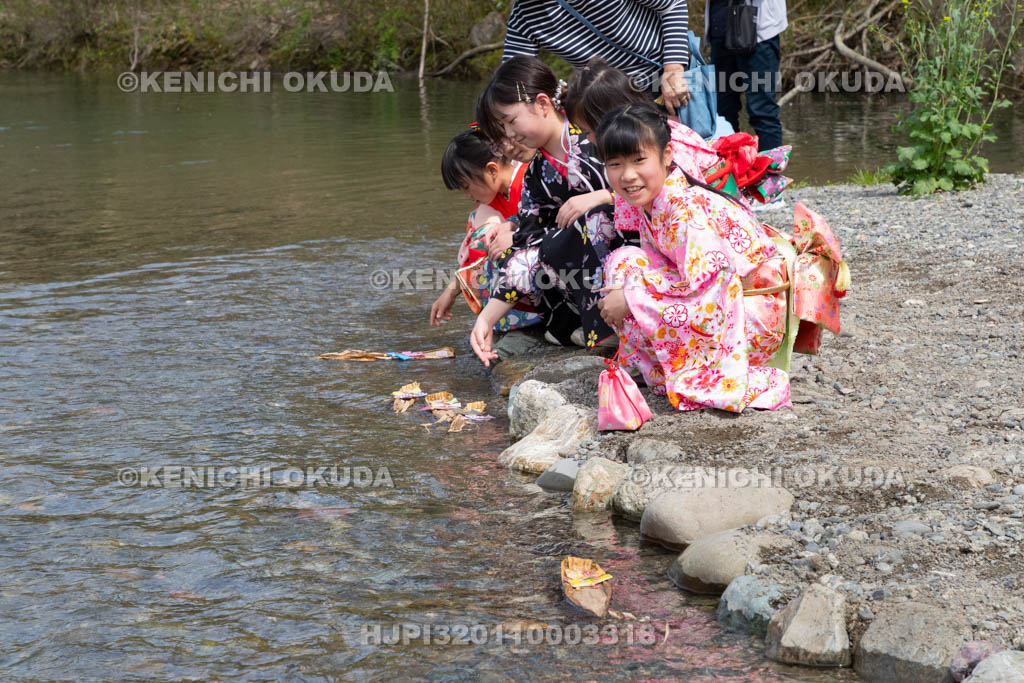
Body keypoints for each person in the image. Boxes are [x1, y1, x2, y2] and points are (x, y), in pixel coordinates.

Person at [595, 102, 791, 412]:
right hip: (728, 298)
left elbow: (713, 289)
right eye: (615, 164)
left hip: (752, 311)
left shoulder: (684, 209)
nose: (628, 175)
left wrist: (632, 297)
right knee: (623, 263)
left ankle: (726, 377)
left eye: (639, 160)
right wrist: (631, 290)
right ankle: (668, 368)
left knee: (627, 283)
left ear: (667, 155)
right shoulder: (655, 201)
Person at [470, 56, 634, 366]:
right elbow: (529, 244)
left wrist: (602, 196)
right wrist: (485, 320)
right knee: (513, 252)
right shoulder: (536, 173)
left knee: (591, 221)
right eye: (502, 127)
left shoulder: (593, 134)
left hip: (634, 251)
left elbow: (654, 182)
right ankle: (574, 321)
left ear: (543, 103)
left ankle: (606, 328)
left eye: (510, 121)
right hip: (587, 267)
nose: (508, 137)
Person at [431, 128, 544, 347]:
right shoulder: (494, 199)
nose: (467, 195)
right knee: (478, 223)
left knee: (482, 236)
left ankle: (525, 315)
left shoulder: (527, 181)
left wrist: (518, 237)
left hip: (543, 265)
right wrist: (451, 290)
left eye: (467, 187)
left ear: (492, 170)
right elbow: (476, 259)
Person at [502, 0, 692, 115]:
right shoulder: (524, 16)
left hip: (667, 75)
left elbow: (672, 5)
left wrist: (673, 70)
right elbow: (514, 79)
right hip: (616, 100)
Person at [705, 0, 788, 151]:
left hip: (758, 32)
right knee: (722, 113)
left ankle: (771, 172)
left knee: (762, 111)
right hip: (719, 30)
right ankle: (729, 171)